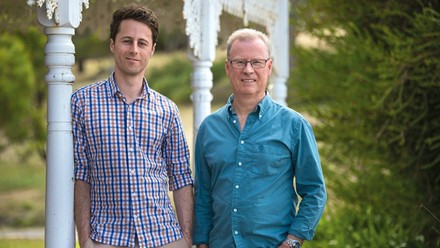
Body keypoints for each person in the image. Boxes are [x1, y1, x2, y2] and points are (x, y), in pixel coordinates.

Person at [72, 4, 194, 248]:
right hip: (107, 238)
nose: (134, 50)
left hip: (164, 237)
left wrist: (187, 239)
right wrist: (85, 240)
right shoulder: (83, 103)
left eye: (142, 43)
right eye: (127, 40)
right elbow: (81, 175)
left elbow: (180, 177)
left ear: (152, 49)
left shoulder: (167, 109)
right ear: (112, 44)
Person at [192, 28, 327, 248]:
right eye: (239, 62)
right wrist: (201, 242)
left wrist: (293, 240)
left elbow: (314, 191)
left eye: (256, 62)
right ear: (228, 67)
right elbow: (203, 195)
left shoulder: (294, 125)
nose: (248, 70)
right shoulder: (209, 128)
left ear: (269, 67)